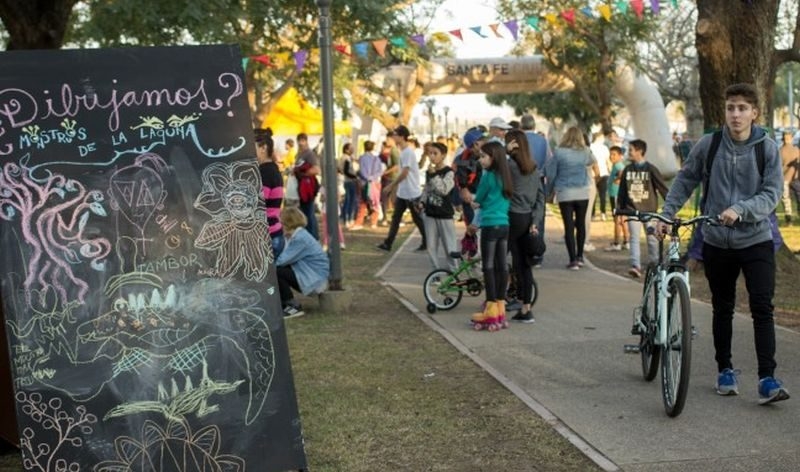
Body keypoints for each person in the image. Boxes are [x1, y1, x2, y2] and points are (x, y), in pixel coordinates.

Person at [658, 83, 789, 405]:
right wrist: (667, 213)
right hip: (717, 240)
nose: (736, 114)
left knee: (762, 307)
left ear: (754, 112)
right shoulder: (710, 144)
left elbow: (772, 193)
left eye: (742, 108)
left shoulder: (767, 148)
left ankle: (767, 379)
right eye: (731, 108)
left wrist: (741, 209)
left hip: (756, 239)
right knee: (723, 307)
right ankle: (725, 370)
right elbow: (686, 178)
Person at [465, 140, 513, 330]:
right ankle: (500, 308)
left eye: (484, 156)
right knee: (502, 266)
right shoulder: (506, 176)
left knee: (488, 266)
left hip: (490, 225)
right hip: (504, 225)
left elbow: (479, 199)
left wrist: (473, 202)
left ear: (493, 158)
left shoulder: (488, 177)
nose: (481, 159)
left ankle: (491, 308)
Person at [504, 129, 545, 323]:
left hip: (511, 216)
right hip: (527, 218)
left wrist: (505, 151)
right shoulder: (534, 169)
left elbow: (492, 170)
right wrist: (535, 222)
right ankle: (525, 307)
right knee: (524, 265)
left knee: (499, 259)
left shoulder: (510, 166)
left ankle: (498, 300)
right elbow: (540, 198)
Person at [545, 126, 597, 270]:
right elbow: (592, 161)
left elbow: (551, 173)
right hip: (582, 191)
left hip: (565, 192)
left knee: (568, 226)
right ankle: (580, 256)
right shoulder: (586, 151)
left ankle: (572, 259)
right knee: (581, 224)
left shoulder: (559, 152)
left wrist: (549, 191)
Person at [616, 139, 669, 278]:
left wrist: (670, 206)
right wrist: (620, 211)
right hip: (632, 210)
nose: (629, 152)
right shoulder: (627, 169)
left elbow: (662, 188)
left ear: (640, 151)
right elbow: (622, 192)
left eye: (631, 150)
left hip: (649, 211)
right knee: (634, 238)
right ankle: (635, 266)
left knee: (652, 239)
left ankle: (655, 265)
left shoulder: (651, 169)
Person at [377, 125, 427, 252]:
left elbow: (405, 172)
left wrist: (391, 186)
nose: (393, 137)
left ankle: (427, 241)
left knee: (417, 219)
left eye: (395, 134)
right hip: (403, 192)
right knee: (396, 218)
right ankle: (388, 243)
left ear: (402, 136)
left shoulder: (408, 152)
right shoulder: (403, 152)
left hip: (411, 192)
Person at [275, 207, 330, 318]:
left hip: (315, 281)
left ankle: (292, 307)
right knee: (278, 270)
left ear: (288, 223)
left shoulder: (300, 239)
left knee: (276, 271)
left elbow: (281, 261)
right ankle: (283, 304)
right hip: (313, 276)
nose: (280, 225)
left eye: (281, 222)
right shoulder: (298, 235)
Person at [418, 142, 457, 271]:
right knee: (431, 246)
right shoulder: (429, 172)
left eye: (435, 153)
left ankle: (454, 271)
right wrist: (422, 202)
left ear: (443, 155)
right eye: (430, 153)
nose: (432, 156)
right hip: (430, 213)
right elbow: (427, 189)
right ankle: (435, 273)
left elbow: (444, 190)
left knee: (450, 246)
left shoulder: (449, 172)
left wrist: (434, 175)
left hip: (445, 214)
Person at [520, 114, 552, 266]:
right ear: (534, 126)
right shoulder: (543, 141)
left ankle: (523, 252)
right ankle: (537, 253)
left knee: (521, 214)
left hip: (521, 181)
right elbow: (548, 161)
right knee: (538, 216)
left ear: (521, 126)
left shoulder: (519, 140)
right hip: (538, 179)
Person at [254, 127, 285, 257]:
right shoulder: (272, 169)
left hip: (268, 235)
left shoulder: (265, 172)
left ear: (263, 148)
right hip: (273, 233)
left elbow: (258, 202)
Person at [293, 133, 321, 239]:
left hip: (308, 187)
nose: (301, 143)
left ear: (306, 141)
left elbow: (316, 169)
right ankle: (310, 235)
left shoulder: (310, 154)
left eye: (302, 140)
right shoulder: (299, 154)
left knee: (309, 213)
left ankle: (313, 236)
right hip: (301, 186)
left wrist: (304, 173)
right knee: (305, 212)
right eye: (299, 141)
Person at [604, 145, 629, 251]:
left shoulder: (619, 165)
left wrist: (618, 179)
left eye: (614, 154)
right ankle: (626, 241)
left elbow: (623, 173)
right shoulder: (616, 165)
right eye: (611, 154)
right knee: (622, 218)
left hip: (616, 195)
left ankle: (616, 243)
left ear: (620, 155)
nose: (612, 156)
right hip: (617, 195)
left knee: (617, 219)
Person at [352, 140, 382, 229]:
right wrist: (373, 178)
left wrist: (367, 178)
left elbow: (361, 171)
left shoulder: (362, 158)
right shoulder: (377, 159)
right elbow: (379, 171)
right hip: (375, 183)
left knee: (363, 202)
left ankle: (359, 222)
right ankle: (374, 222)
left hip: (364, 183)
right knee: (375, 202)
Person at [780, 130, 800, 223]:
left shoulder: (797, 150)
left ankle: (795, 215)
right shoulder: (780, 151)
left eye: (788, 137)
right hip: (785, 178)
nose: (786, 139)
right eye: (785, 138)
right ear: (783, 139)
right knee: (786, 199)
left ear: (791, 138)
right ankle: (789, 219)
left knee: (796, 197)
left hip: (795, 178)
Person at [590, 132, 611, 221]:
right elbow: (608, 161)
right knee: (603, 195)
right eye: (602, 137)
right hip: (603, 173)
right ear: (598, 138)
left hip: (592, 174)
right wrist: (610, 171)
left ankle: (592, 214)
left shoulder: (590, 147)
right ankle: (603, 213)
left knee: (593, 195)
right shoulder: (604, 148)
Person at [339, 142, 359, 228]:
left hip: (346, 180)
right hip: (349, 181)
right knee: (349, 200)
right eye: (351, 148)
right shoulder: (346, 158)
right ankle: (347, 219)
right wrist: (355, 176)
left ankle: (345, 218)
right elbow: (346, 171)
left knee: (347, 200)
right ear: (346, 150)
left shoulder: (344, 158)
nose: (352, 150)